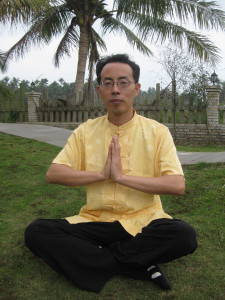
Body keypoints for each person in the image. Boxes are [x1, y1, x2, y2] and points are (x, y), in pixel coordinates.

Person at [25, 54, 197, 293]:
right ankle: (134, 264)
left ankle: (101, 261)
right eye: (108, 83)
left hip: (143, 221)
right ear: (99, 90)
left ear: (136, 89)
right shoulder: (85, 131)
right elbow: (54, 173)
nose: (115, 90)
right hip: (94, 221)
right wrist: (102, 175)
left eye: (123, 82)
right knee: (37, 232)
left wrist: (122, 178)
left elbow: (176, 185)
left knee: (183, 235)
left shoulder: (158, 132)